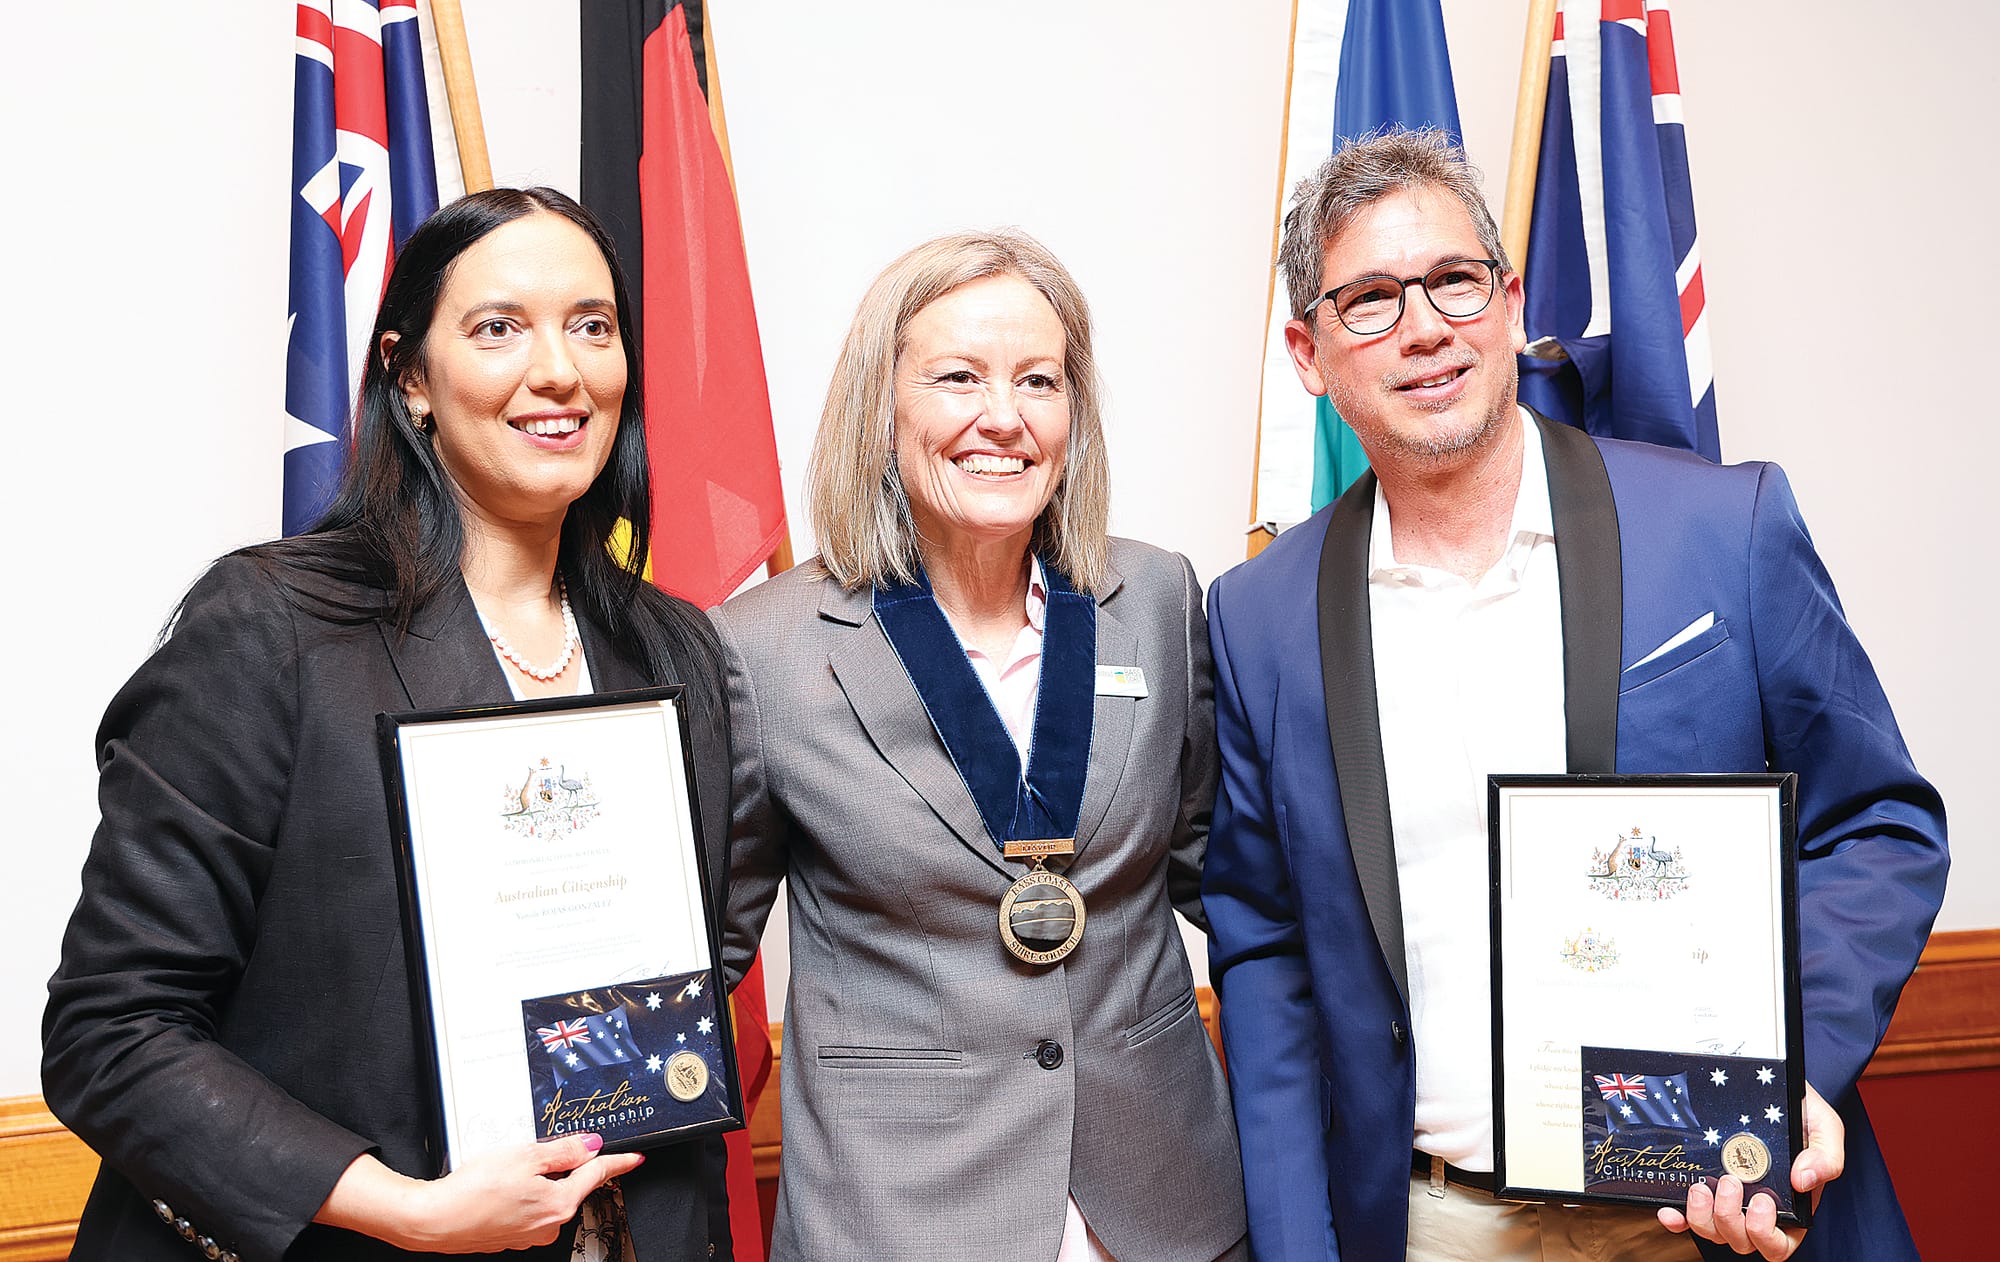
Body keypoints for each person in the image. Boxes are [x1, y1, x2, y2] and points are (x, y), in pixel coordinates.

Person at [1203, 129, 1947, 1262]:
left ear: (1504, 300)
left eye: (1451, 279)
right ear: (1308, 351)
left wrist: (1791, 1065)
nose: (1422, 326)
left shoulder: (1719, 529)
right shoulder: (1256, 616)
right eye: (1366, 300)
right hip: (1431, 1221)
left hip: (1713, 1209)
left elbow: (1879, 822)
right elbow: (1265, 949)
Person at [43, 188, 733, 1261]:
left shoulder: (672, 650)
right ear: (410, 377)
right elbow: (111, 1028)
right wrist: (406, 1208)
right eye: (498, 326)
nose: (559, 368)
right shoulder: (272, 627)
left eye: (592, 325)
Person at [715, 230, 1248, 1261]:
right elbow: (705, 945)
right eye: (957, 377)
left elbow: (1220, 880)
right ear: (881, 410)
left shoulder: (1156, 599)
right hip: (897, 1212)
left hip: (1161, 1206)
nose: (1001, 417)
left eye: (1037, 381)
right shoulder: (762, 650)